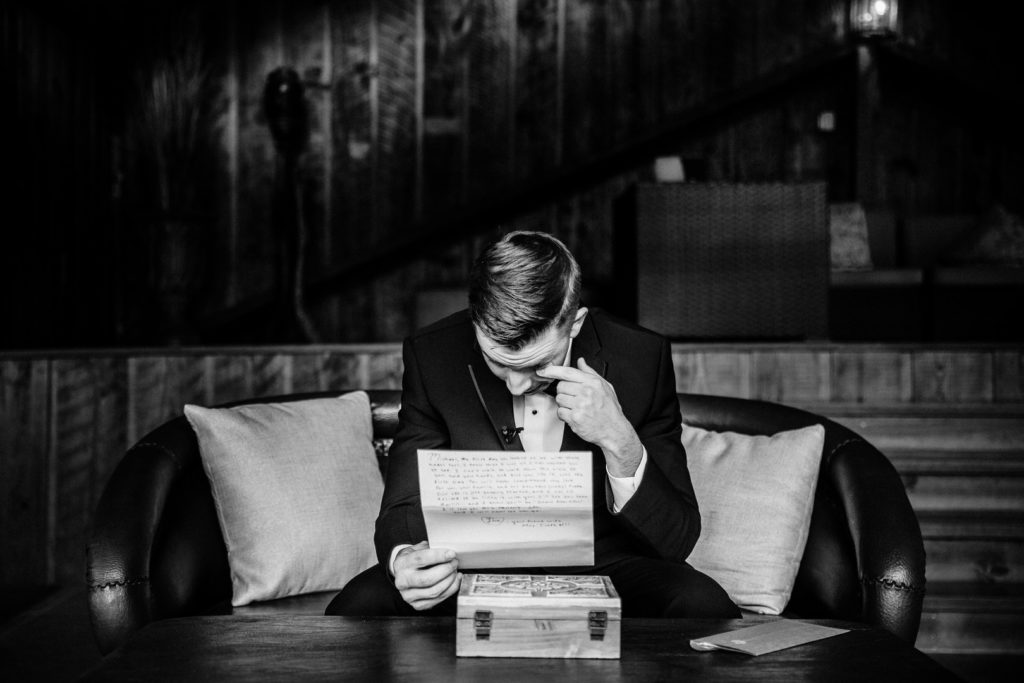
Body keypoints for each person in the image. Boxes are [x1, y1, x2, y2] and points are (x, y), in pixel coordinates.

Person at [326, 230, 738, 618]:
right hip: (467, 568)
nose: (519, 384)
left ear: (574, 324)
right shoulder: (431, 354)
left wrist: (619, 439)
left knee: (702, 604)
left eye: (539, 364)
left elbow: (677, 539)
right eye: (498, 362)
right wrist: (405, 559)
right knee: (359, 604)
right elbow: (403, 500)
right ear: (475, 321)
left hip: (605, 566)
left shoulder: (642, 357)